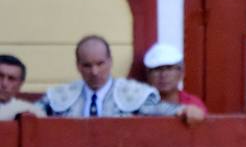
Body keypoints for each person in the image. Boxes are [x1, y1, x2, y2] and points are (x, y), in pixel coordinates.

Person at [42, 35, 198, 121]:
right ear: (78, 66)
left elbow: (158, 109)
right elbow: (33, 111)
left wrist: (184, 109)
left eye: (100, 64)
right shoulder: (60, 95)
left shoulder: (134, 93)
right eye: (87, 65)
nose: (95, 71)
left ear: (110, 62)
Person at [143, 43, 207, 118]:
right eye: (157, 69)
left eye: (169, 68)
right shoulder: (138, 103)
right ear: (147, 74)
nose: (163, 75)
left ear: (181, 73)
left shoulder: (193, 104)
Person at [0, 53, 44, 120]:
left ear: (20, 84)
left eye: (11, 79)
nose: (4, 84)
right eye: (0, 76)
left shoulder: (32, 112)